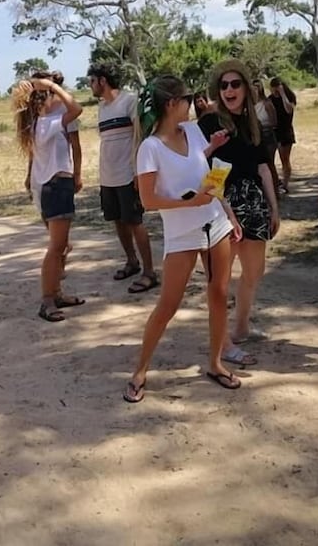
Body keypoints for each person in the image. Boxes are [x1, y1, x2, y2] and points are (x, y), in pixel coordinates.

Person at [123, 75, 243, 403]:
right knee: (168, 304)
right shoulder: (150, 148)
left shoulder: (192, 130)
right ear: (171, 104)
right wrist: (189, 203)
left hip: (215, 223)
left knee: (219, 294)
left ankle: (216, 363)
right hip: (182, 233)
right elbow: (148, 201)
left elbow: (206, 177)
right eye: (188, 99)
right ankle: (140, 371)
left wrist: (229, 213)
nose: (193, 104)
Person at [200, 61, 280, 363]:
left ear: (246, 87)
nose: (229, 90)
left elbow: (263, 167)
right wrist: (225, 208)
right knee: (219, 280)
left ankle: (242, 327)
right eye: (224, 85)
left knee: (254, 271)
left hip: (254, 201)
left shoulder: (252, 123)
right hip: (223, 200)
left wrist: (274, 208)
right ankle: (223, 344)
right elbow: (202, 167)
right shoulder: (210, 123)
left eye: (235, 84)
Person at [13, 75, 86, 322]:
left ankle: (56, 293)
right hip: (56, 186)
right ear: (44, 101)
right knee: (56, 247)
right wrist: (52, 86)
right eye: (53, 94)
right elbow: (77, 108)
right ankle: (47, 300)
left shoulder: (40, 123)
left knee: (60, 246)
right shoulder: (46, 123)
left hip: (54, 186)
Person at [87, 62, 159, 293]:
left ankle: (149, 271)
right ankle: (131, 261)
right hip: (108, 176)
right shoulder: (102, 107)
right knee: (117, 220)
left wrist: (138, 171)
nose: (90, 85)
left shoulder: (129, 101)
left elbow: (140, 136)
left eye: (92, 81)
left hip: (128, 174)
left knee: (135, 222)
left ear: (103, 81)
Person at [24, 70, 81, 278]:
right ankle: (57, 270)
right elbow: (33, 150)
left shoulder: (56, 115)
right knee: (55, 236)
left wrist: (77, 173)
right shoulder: (40, 120)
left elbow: (76, 146)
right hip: (46, 180)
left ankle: (59, 268)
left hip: (53, 178)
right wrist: (29, 174)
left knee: (57, 237)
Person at [252, 78, 282, 195]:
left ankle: (275, 190)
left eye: (257, 87)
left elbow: (274, 121)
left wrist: (262, 124)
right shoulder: (250, 105)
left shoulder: (266, 103)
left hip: (267, 134)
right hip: (256, 135)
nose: (255, 90)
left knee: (269, 164)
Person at [269, 77, 296, 194]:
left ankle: (285, 184)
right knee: (270, 160)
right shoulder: (270, 99)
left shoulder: (289, 97)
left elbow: (289, 110)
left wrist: (283, 94)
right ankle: (276, 182)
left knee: (284, 159)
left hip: (286, 131)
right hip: (274, 131)